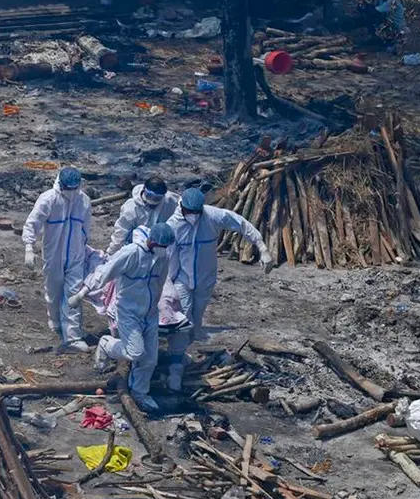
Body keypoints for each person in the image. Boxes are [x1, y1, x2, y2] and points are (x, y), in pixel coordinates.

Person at [165, 188, 273, 389]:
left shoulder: (212, 216)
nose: (193, 217)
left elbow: (242, 224)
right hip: (182, 279)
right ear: (182, 208)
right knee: (183, 320)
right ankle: (175, 367)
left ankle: (179, 354)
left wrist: (262, 248)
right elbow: (169, 259)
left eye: (197, 213)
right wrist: (167, 285)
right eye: (190, 212)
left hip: (206, 279)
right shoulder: (173, 226)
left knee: (195, 323)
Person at [69, 223, 175, 412]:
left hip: (149, 313)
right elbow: (105, 271)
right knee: (135, 353)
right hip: (128, 312)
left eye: (166, 247)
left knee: (150, 358)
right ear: (152, 241)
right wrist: (83, 292)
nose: (164, 249)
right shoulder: (131, 253)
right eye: (161, 246)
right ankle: (106, 345)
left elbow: (160, 283)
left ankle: (140, 393)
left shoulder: (162, 258)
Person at [22, 167, 93, 353]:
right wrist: (29, 246)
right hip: (54, 253)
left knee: (73, 293)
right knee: (54, 290)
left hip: (76, 254)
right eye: (68, 188)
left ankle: (73, 337)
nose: (71, 192)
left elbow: (86, 228)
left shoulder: (83, 201)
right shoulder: (49, 199)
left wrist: (84, 248)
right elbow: (33, 223)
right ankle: (54, 320)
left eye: (74, 188)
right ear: (61, 184)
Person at [106, 176, 179, 255]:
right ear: (144, 190)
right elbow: (121, 233)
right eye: (150, 196)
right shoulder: (130, 209)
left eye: (157, 198)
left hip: (162, 247)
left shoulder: (170, 200)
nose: (152, 201)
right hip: (137, 248)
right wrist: (111, 252)